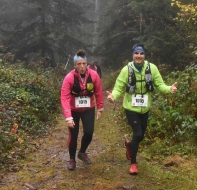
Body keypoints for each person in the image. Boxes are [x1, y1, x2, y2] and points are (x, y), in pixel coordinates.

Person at [106, 44, 177, 175]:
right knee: (137, 134)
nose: (139, 56)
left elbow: (160, 85)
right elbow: (119, 87)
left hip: (145, 108)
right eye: (136, 53)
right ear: (132, 55)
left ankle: (130, 146)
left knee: (140, 136)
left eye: (141, 53)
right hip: (130, 108)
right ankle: (133, 164)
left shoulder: (152, 68)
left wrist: (169, 89)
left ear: (145, 55)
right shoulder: (126, 70)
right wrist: (113, 96)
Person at [60, 49, 104, 171]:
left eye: (84, 63)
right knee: (73, 136)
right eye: (79, 64)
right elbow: (64, 97)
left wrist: (100, 108)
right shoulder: (69, 77)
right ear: (75, 65)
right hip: (74, 110)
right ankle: (72, 159)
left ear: (87, 64)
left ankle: (82, 152)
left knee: (89, 133)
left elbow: (98, 92)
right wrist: (68, 116)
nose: (82, 66)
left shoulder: (94, 75)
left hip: (88, 108)